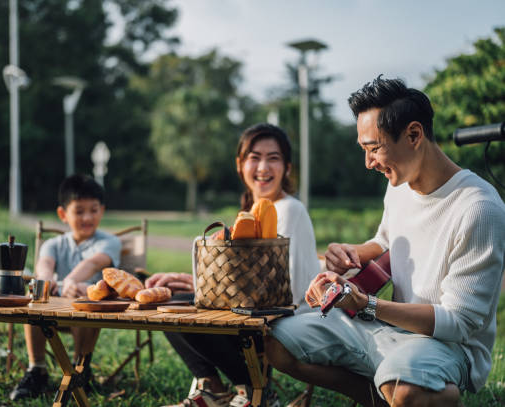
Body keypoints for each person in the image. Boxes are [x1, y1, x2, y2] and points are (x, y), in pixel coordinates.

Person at [265, 76, 505, 407]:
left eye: (374, 148)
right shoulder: (399, 185)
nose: (369, 163)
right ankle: (376, 397)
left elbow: (460, 323)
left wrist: (367, 304)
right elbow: (385, 241)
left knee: (407, 392)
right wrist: (352, 253)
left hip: (446, 344)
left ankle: (424, 394)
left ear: (414, 135)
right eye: (364, 150)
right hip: (384, 327)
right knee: (278, 340)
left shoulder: (479, 209)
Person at [147, 123, 321, 407]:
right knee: (170, 305)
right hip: (250, 308)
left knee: (188, 311)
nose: (263, 166)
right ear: (240, 165)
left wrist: (206, 290)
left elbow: (280, 284)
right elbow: (244, 277)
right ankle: (212, 388)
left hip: (283, 315)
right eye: (254, 157)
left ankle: (257, 392)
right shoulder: (252, 212)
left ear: (287, 168)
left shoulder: (289, 209)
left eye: (273, 158)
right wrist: (198, 284)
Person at [10, 174, 121, 400]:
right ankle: (37, 369)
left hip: (88, 317)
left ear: (102, 210)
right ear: (63, 214)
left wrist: (71, 282)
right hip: (51, 314)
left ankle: (80, 370)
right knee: (35, 297)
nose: (87, 217)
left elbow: (93, 263)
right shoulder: (53, 244)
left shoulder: (109, 242)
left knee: (83, 299)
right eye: (79, 211)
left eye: (94, 209)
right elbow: (44, 266)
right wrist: (49, 282)